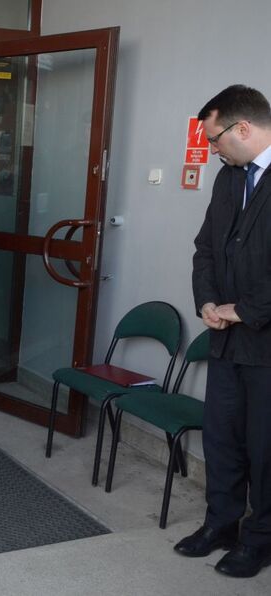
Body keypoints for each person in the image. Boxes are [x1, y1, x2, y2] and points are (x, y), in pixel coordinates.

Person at [179, 84, 271, 578]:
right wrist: (208, 301)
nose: (212, 150)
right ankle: (222, 524)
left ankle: (260, 539)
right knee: (221, 439)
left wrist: (242, 309)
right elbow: (207, 248)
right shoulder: (229, 178)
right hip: (226, 339)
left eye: (216, 139)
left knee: (264, 448)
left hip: (265, 342)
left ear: (243, 128)